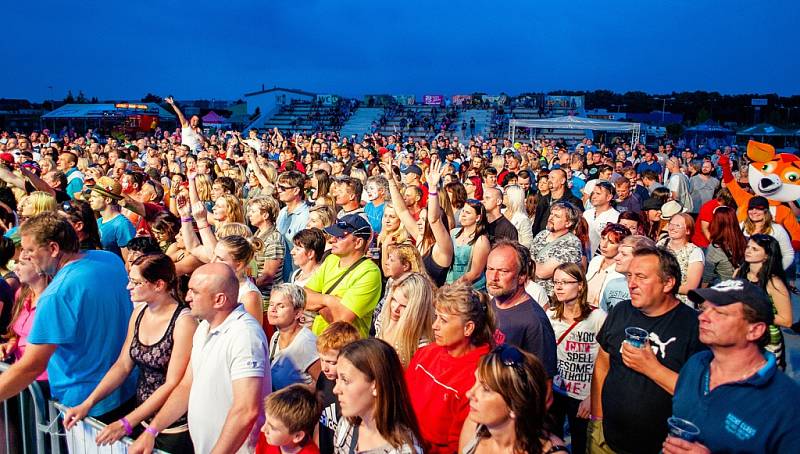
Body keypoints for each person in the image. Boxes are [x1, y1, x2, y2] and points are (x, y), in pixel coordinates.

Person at [0, 214, 135, 424]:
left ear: (53, 249)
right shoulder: (110, 258)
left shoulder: (56, 295)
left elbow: (31, 366)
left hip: (86, 407)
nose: (25, 256)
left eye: (30, 250)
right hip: (126, 389)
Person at [129, 263, 270, 454]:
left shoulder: (245, 335)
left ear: (219, 299)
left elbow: (246, 410)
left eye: (194, 292)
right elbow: (186, 386)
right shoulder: (204, 327)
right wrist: (152, 431)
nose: (187, 297)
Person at [64, 253, 197, 452]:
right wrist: (88, 403)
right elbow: (122, 365)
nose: (128, 287)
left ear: (158, 285)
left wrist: (126, 423)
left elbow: (172, 383)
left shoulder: (184, 322)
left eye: (135, 282)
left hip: (173, 427)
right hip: (142, 419)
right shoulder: (139, 312)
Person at [589, 246, 706, 454]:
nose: (631, 284)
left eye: (641, 277)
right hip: (605, 439)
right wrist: (597, 417)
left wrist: (651, 367)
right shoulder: (621, 311)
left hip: (661, 447)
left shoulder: (694, 327)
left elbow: (699, 394)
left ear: (668, 283)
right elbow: (602, 363)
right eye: (629, 276)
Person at [664, 280, 800, 453]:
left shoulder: (787, 404)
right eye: (704, 309)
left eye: (719, 312)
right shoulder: (696, 365)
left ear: (755, 330)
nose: (702, 317)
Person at [405, 282, 495, 454]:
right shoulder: (425, 353)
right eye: (436, 317)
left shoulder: (480, 376)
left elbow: (460, 444)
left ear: (468, 328)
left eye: (443, 320)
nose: (434, 326)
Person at [460, 345, 568, 454]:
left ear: (514, 405)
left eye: (486, 389)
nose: (469, 394)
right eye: (475, 381)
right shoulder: (474, 426)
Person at [546, 263, 606, 454]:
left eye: (565, 282)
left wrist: (592, 398)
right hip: (556, 391)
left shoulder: (597, 317)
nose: (559, 287)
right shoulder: (550, 315)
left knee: (581, 445)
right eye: (556, 282)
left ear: (580, 285)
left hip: (583, 396)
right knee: (553, 442)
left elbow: (607, 361)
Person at [334, 338, 424, 453]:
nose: (336, 390)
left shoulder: (403, 451)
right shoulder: (346, 425)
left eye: (345, 380)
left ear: (376, 386)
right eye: (338, 378)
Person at [485, 239, 558, 378]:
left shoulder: (535, 322)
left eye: (503, 271)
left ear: (522, 276)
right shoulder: (492, 303)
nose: (493, 277)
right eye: (490, 269)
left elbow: (544, 386)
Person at [304, 214, 382, 338]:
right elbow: (304, 296)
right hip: (319, 340)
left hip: (347, 349)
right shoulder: (331, 259)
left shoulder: (370, 272)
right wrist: (329, 300)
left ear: (358, 242)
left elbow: (342, 321)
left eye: (340, 237)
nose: (331, 240)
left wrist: (317, 302)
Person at [734, 234, 793, 370]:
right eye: (748, 247)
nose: (748, 251)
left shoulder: (773, 283)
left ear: (766, 256)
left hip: (766, 342)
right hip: (741, 335)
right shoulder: (739, 273)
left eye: (755, 249)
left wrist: (754, 312)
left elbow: (787, 320)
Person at [315, 322, 361, 454]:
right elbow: (320, 419)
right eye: (322, 360)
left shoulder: (355, 392)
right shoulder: (324, 380)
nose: (325, 368)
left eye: (332, 362)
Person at [267, 283, 321, 390]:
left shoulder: (306, 343)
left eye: (281, 306)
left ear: (297, 313)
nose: (273, 309)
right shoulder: (276, 337)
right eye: (271, 304)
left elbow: (324, 384)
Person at [375, 272, 435, 367]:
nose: (395, 309)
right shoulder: (382, 319)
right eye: (393, 300)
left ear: (417, 310)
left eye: (404, 306)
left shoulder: (422, 343)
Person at [530, 201, 583, 295]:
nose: (551, 218)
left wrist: (528, 263)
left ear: (568, 223)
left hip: (552, 298)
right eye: (551, 214)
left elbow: (542, 272)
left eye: (557, 216)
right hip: (531, 292)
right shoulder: (542, 235)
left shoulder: (572, 244)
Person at [255, 384, 323, 454]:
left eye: (273, 428)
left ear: (298, 436)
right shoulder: (266, 438)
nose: (263, 429)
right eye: (266, 421)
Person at [213, 235, 265, 326]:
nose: (213, 261)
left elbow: (252, 334)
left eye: (220, 259)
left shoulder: (249, 296)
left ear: (239, 265)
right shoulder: (217, 284)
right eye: (214, 255)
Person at [657, 213, 704, 307]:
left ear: (688, 231)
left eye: (677, 225)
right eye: (671, 224)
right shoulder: (661, 244)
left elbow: (690, 287)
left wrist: (662, 287)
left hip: (680, 303)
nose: (672, 228)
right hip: (658, 300)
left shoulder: (694, 252)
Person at [599, 235, 656, 312]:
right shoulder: (612, 284)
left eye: (624, 254)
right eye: (618, 253)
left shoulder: (652, 290)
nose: (616, 258)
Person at [445, 198, 490, 291]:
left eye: (468, 213)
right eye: (463, 211)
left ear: (478, 217)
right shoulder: (453, 233)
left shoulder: (481, 241)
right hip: (448, 285)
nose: (463, 215)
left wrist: (454, 287)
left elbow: (475, 273)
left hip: (471, 290)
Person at [740, 196, 794, 270]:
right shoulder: (742, 226)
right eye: (751, 208)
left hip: (769, 274)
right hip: (746, 273)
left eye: (759, 208)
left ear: (766, 211)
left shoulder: (777, 229)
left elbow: (788, 254)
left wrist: (775, 271)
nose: (754, 212)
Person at [89, 176, 136, 260]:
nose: (90, 199)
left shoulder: (122, 224)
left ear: (108, 200)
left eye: (94, 197)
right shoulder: (99, 221)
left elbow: (129, 260)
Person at [585, 223, 631, 307]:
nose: (604, 245)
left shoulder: (621, 271)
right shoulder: (595, 261)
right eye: (603, 238)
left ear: (621, 246)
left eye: (611, 242)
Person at [702, 206, 746, 286]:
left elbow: (707, 276)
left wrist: (701, 295)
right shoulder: (746, 241)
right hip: (742, 286)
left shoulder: (715, 248)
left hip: (724, 289)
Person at [583, 180, 620, 256]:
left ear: (609, 197)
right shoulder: (587, 213)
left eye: (598, 194)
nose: (594, 196)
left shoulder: (615, 217)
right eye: (593, 193)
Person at [276, 170, 310, 245]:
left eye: (283, 188)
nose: (279, 190)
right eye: (278, 187)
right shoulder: (283, 211)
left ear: (296, 191)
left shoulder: (306, 216)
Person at [503, 185, 534, 251]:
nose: (503, 196)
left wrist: (515, 250)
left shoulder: (523, 219)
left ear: (513, 197)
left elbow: (528, 243)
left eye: (505, 194)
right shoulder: (501, 212)